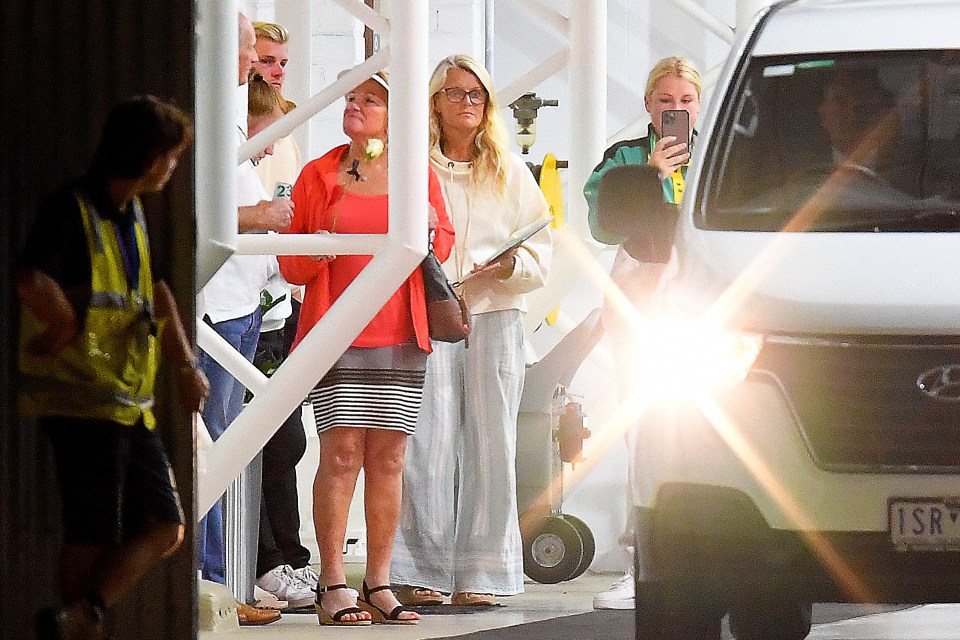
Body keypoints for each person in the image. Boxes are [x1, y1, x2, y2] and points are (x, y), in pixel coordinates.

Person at [17, 95, 209, 640]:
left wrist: (184, 366)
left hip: (126, 403)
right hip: (78, 401)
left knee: (167, 526)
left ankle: (83, 615)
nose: (173, 168)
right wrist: (61, 327)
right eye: (171, 157)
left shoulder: (132, 214)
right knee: (91, 531)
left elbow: (155, 293)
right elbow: (32, 280)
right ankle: (76, 622)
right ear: (153, 159)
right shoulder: (71, 209)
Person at [278, 70, 453, 626]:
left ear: (394, 113)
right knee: (340, 456)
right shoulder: (319, 173)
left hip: (401, 334)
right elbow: (292, 264)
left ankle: (377, 580)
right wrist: (325, 242)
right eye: (351, 99)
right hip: (336, 335)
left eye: (370, 100)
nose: (356, 107)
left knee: (389, 459)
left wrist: (427, 228)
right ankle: (333, 581)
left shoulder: (414, 174)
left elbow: (442, 245)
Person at [390, 54, 552, 608]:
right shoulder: (412, 169)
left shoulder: (510, 172)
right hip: (429, 313)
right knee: (424, 444)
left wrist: (508, 267)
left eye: (477, 95)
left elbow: (541, 250)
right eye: (456, 93)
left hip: (497, 315)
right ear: (435, 101)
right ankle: (421, 572)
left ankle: (483, 574)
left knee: (492, 446)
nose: (467, 103)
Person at [582, 55, 702, 610]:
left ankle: (710, 552)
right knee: (645, 429)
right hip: (637, 302)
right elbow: (602, 224)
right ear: (648, 105)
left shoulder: (716, 153)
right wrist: (650, 172)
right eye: (666, 102)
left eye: (685, 102)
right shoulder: (622, 157)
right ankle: (644, 557)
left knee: (709, 433)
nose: (675, 111)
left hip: (703, 304)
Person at [194, 11, 292, 626]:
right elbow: (210, 206)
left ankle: (223, 579)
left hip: (241, 300)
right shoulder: (210, 112)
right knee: (210, 445)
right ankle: (208, 579)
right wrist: (261, 215)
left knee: (229, 445)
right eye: (248, 52)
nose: (254, 63)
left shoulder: (229, 112)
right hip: (216, 302)